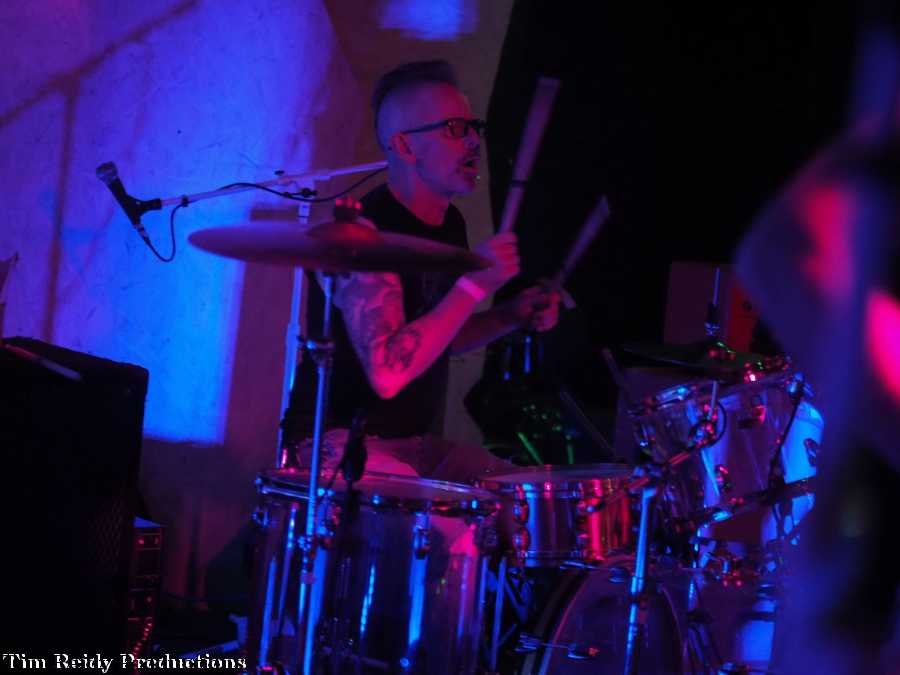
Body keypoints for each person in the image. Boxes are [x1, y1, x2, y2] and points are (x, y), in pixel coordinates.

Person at [286, 60, 561, 485]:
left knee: (523, 496)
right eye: (454, 128)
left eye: (474, 127)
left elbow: (435, 340)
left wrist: (509, 316)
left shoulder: (450, 225)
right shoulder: (365, 235)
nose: (474, 140)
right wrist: (474, 285)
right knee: (438, 518)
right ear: (405, 146)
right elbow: (388, 373)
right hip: (338, 443)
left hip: (416, 444)